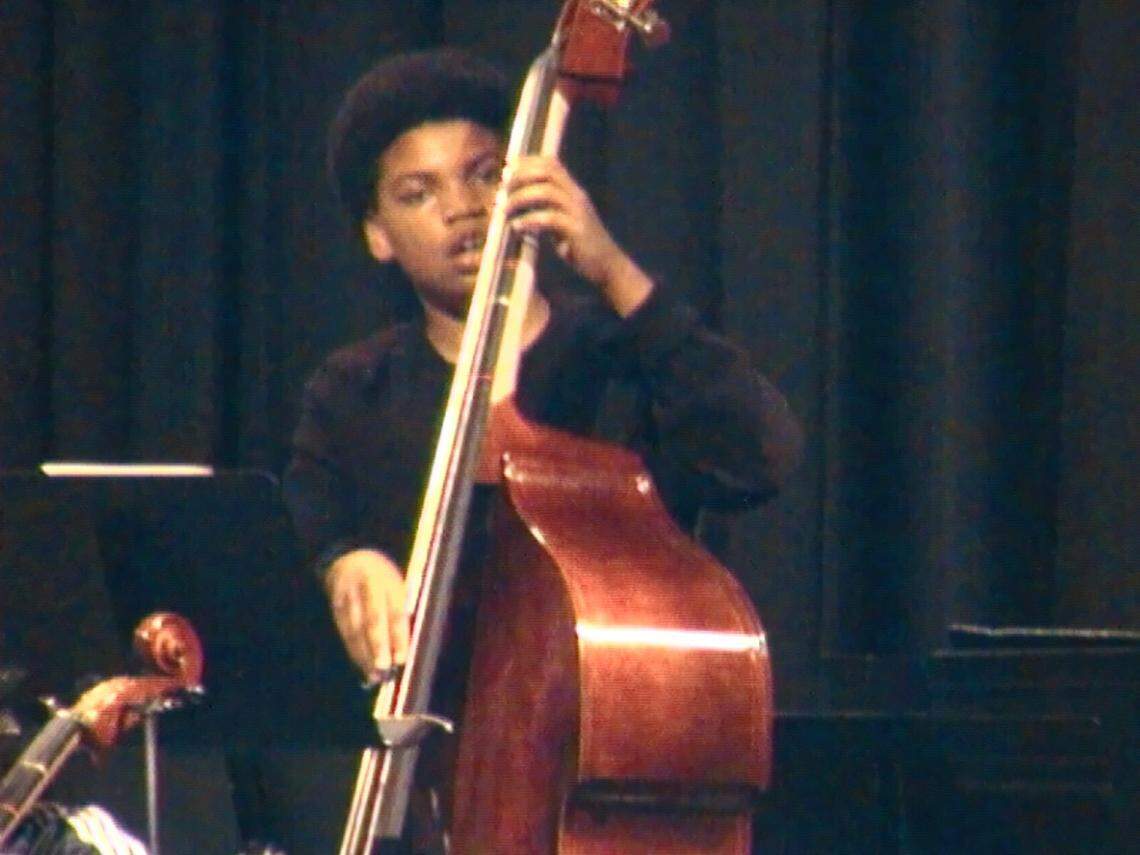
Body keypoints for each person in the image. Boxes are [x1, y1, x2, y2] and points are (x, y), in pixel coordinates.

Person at [282, 47, 803, 849]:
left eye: (484, 174)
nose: (462, 208)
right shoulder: (353, 392)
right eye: (419, 193)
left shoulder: (620, 361)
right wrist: (340, 561)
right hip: (426, 806)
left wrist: (611, 268)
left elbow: (762, 451)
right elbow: (296, 534)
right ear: (378, 236)